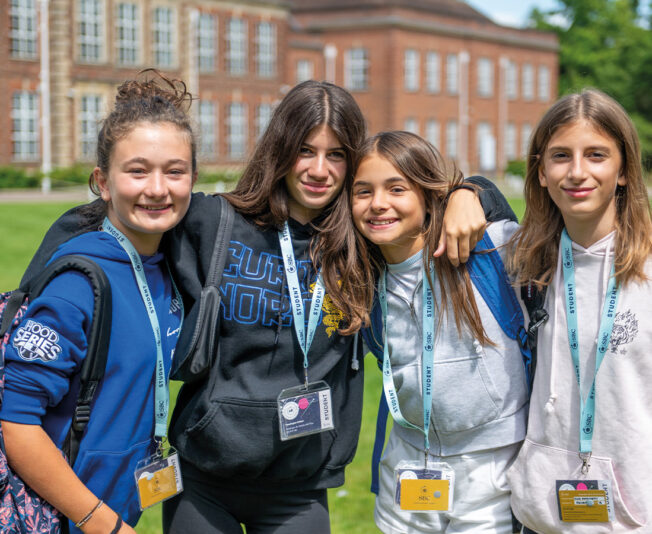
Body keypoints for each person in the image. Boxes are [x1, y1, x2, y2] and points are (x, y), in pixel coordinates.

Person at [20, 80, 510, 533]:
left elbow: (447, 211)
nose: (319, 169)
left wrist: (474, 190)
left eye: (336, 155)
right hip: (205, 478)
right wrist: (24, 302)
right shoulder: (211, 222)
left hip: (299, 486)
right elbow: (103, 220)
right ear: (280, 149)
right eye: (304, 151)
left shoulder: (360, 243)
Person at [0, 71, 196, 533]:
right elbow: (18, 425)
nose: (158, 188)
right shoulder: (78, 283)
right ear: (103, 182)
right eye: (137, 170)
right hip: (61, 519)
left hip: (117, 509)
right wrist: (98, 521)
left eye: (174, 170)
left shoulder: (169, 268)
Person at [349, 131, 528, 533]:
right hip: (408, 468)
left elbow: (565, 230)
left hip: (494, 472)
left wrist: (474, 190)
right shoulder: (356, 279)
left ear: (428, 195)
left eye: (397, 188)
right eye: (363, 191)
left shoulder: (491, 251)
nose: (379, 203)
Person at [506, 89, 652, 532]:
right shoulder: (520, 263)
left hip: (633, 517)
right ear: (542, 172)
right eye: (560, 156)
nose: (577, 172)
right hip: (541, 514)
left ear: (624, 169)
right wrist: (468, 193)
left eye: (596, 155)